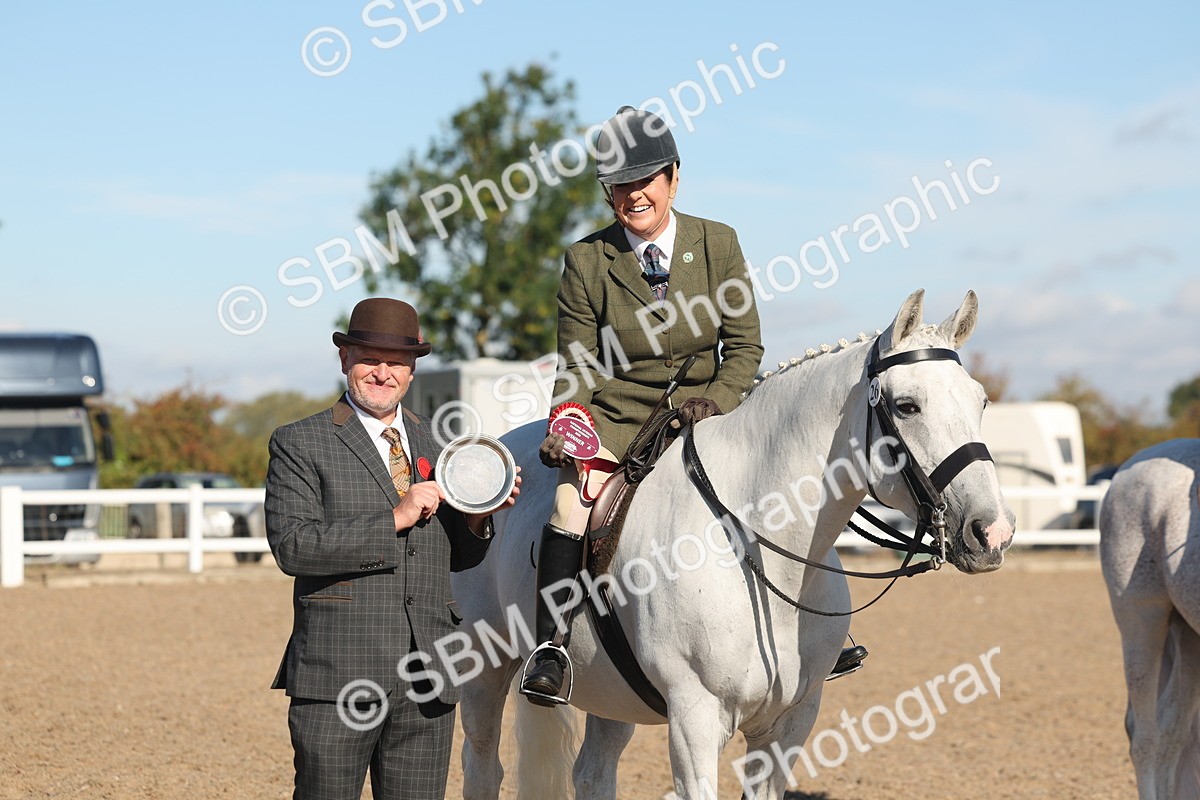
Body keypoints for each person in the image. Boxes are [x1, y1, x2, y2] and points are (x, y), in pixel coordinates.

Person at [518, 107, 867, 707]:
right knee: (568, 504)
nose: (633, 196)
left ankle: (823, 628)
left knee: (786, 491)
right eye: (619, 186)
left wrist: (717, 402)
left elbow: (745, 348)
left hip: (709, 416)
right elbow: (576, 364)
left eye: (644, 181)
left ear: (673, 178)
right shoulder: (586, 260)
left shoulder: (718, 242)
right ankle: (551, 645)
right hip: (621, 421)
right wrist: (568, 423)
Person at [265, 297, 519, 800]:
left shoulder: (439, 446)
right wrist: (395, 518)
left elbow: (459, 560)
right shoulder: (299, 442)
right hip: (337, 676)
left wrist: (475, 520)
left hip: (429, 677)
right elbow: (294, 547)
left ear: (412, 371)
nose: (383, 372)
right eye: (370, 358)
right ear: (345, 360)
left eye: (397, 362)